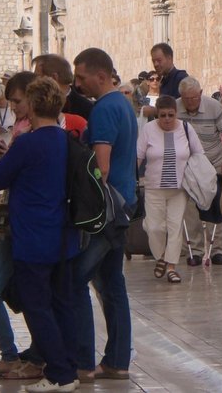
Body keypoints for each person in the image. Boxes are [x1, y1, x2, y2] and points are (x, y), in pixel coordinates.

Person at [0, 77, 80, 393]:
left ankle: (59, 374)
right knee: (62, 305)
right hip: (63, 237)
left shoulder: (27, 142)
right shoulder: (66, 140)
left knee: (37, 306)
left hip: (32, 238)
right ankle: (70, 367)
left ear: (33, 106)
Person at [72, 47, 138, 381]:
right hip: (123, 205)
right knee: (112, 283)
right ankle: (117, 360)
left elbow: (102, 166)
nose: (77, 84)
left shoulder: (104, 110)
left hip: (107, 212)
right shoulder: (123, 105)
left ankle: (84, 361)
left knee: (76, 280)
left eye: (82, 77)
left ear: (101, 75)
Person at [0, 72, 45, 382]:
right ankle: (10, 355)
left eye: (17, 101)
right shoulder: (21, 130)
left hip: (31, 225)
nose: (14, 106)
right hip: (12, 219)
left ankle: (39, 356)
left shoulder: (42, 132)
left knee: (33, 292)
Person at [137, 95, 205, 283]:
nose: (167, 119)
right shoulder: (149, 129)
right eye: (163, 115)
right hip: (154, 187)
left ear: (176, 113)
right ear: (157, 114)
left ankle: (171, 267)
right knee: (154, 227)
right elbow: (138, 156)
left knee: (175, 227)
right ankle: (161, 257)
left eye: (171, 115)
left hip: (179, 188)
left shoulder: (185, 128)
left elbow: (199, 153)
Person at [177, 77, 222, 266]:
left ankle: (218, 250)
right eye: (186, 99)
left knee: (217, 208)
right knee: (190, 210)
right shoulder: (176, 108)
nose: (190, 103)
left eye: (194, 98)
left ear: (201, 94)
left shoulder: (214, 107)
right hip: (188, 168)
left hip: (213, 164)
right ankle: (194, 251)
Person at [33, 54, 94, 120]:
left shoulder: (85, 108)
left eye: (38, 77)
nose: (34, 82)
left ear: (54, 78)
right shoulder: (34, 104)